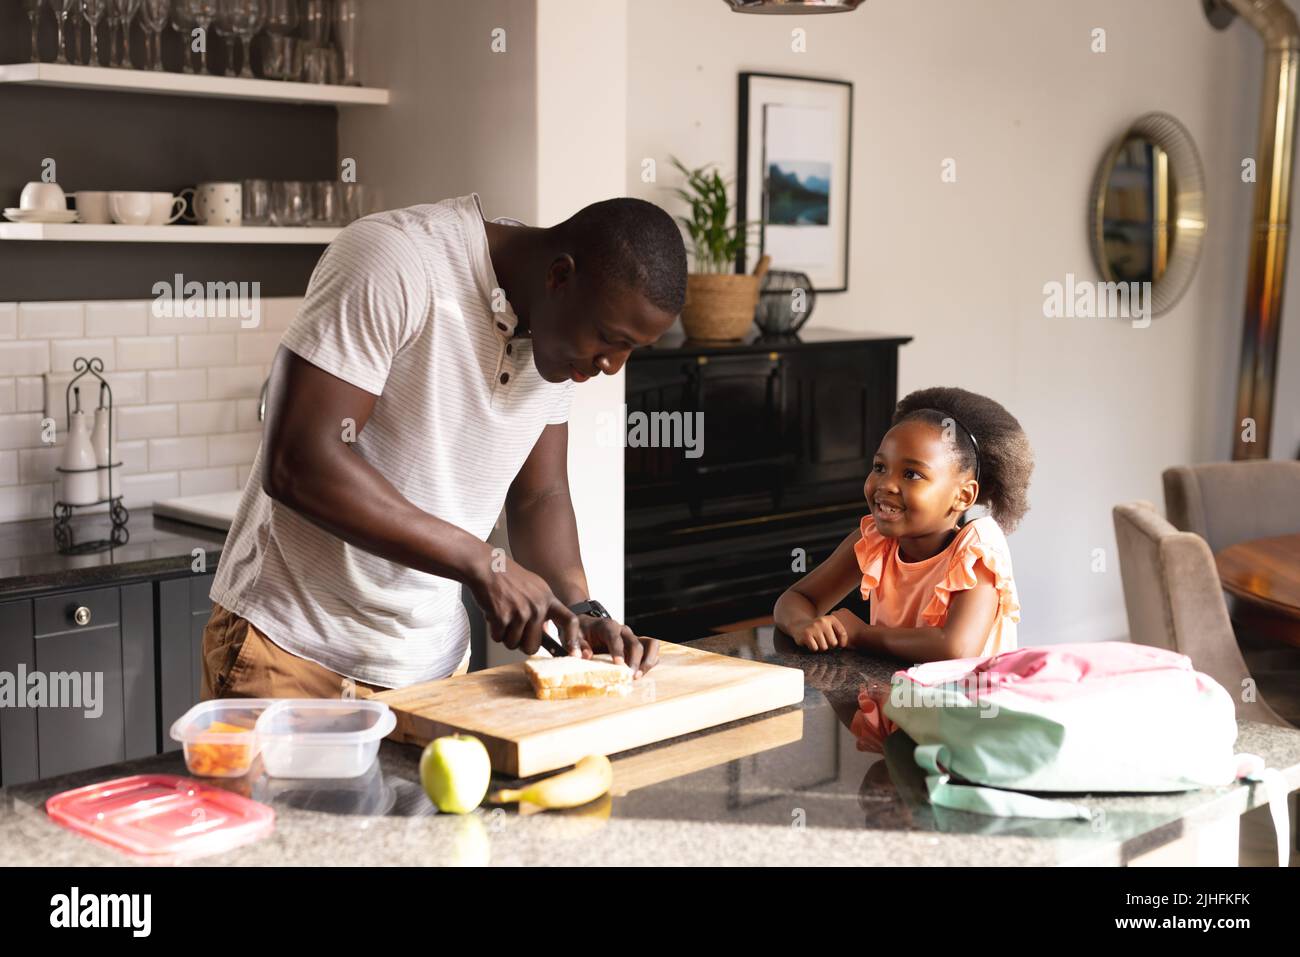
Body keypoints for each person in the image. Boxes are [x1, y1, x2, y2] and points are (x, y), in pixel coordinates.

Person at [201, 193, 686, 700]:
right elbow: (300, 460)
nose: (613, 366)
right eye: (610, 340)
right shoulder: (396, 259)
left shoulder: (557, 338)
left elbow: (540, 495)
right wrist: (481, 562)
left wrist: (579, 612)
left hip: (432, 670)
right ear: (559, 277)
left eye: (632, 349)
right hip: (292, 654)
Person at [773, 386, 1034, 665]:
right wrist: (802, 624)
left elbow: (956, 648)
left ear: (963, 496)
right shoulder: (875, 540)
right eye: (880, 467)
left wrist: (860, 634)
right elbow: (797, 598)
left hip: (970, 705)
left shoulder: (978, 552)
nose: (885, 484)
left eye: (912, 474)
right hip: (898, 700)